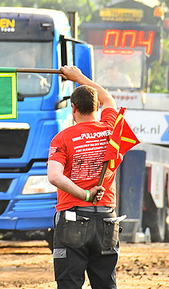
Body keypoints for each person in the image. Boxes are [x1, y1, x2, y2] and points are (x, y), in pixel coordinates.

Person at [47, 65, 120, 289]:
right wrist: (78, 77)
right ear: (96, 106)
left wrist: (86, 194)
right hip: (107, 220)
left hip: (73, 220)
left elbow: (54, 177)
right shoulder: (111, 129)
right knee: (105, 284)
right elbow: (109, 99)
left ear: (73, 108)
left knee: (69, 284)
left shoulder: (62, 138)